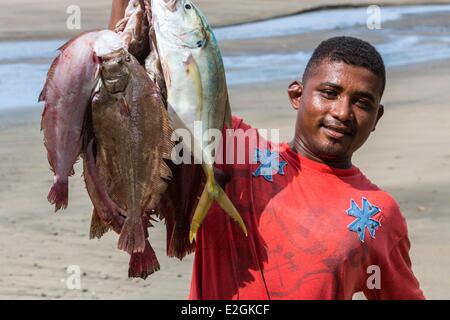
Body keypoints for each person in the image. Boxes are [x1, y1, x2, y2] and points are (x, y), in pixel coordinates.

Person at [109, 1, 424, 300]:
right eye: (329, 93)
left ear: (376, 117)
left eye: (362, 103)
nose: (342, 112)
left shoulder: (379, 214)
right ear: (297, 95)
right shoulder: (235, 151)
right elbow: (126, 84)